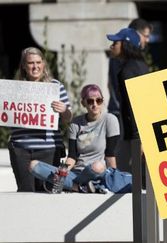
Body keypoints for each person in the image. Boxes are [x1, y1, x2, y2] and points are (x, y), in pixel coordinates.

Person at [29, 84, 121, 193]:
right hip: (75, 173)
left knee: (98, 166)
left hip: (97, 173)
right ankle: (79, 187)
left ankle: (69, 185)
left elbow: (110, 154)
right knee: (33, 165)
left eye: (99, 100)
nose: (95, 105)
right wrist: (63, 172)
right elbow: (72, 156)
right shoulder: (75, 123)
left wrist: (114, 179)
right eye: (90, 101)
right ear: (83, 103)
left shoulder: (110, 120)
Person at [8, 47, 72, 192]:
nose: (35, 66)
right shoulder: (13, 89)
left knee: (47, 191)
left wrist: (64, 110)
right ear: (24, 66)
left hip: (48, 149)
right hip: (20, 149)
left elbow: (68, 118)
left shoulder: (55, 87)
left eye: (38, 62)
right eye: (31, 63)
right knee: (25, 192)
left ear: (43, 64)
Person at [106, 27, 149, 187]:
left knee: (133, 179)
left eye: (115, 43)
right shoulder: (141, 65)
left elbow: (134, 105)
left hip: (136, 134)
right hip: (141, 131)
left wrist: (138, 139)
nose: (111, 46)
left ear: (125, 44)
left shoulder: (128, 70)